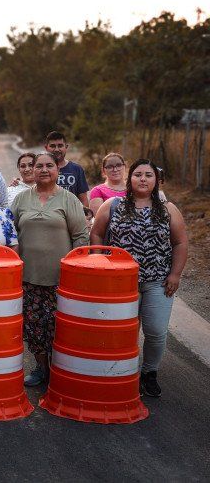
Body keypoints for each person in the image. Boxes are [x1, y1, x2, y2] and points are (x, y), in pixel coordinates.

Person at [90, 159, 187, 397]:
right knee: (124, 331)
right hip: (121, 283)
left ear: (156, 181)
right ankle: (123, 373)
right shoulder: (113, 205)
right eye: (138, 175)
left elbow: (180, 242)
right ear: (129, 179)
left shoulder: (168, 209)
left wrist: (175, 274)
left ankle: (149, 373)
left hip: (158, 281)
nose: (143, 179)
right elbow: (97, 234)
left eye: (148, 175)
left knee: (155, 330)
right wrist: (101, 264)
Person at [11, 152, 89, 387]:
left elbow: (81, 236)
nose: (44, 169)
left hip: (61, 279)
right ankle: (41, 368)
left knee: (59, 327)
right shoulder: (22, 199)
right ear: (32, 171)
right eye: (39, 166)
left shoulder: (69, 199)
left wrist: (75, 271)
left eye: (49, 165)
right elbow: (9, 232)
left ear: (57, 170)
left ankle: (61, 370)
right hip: (28, 278)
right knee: (34, 328)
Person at [44, 131, 89, 207]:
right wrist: (17, 183)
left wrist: (85, 216)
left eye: (60, 146)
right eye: (52, 146)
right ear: (46, 148)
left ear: (66, 147)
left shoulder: (77, 169)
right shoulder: (40, 170)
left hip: (72, 215)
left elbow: (83, 199)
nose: (56, 149)